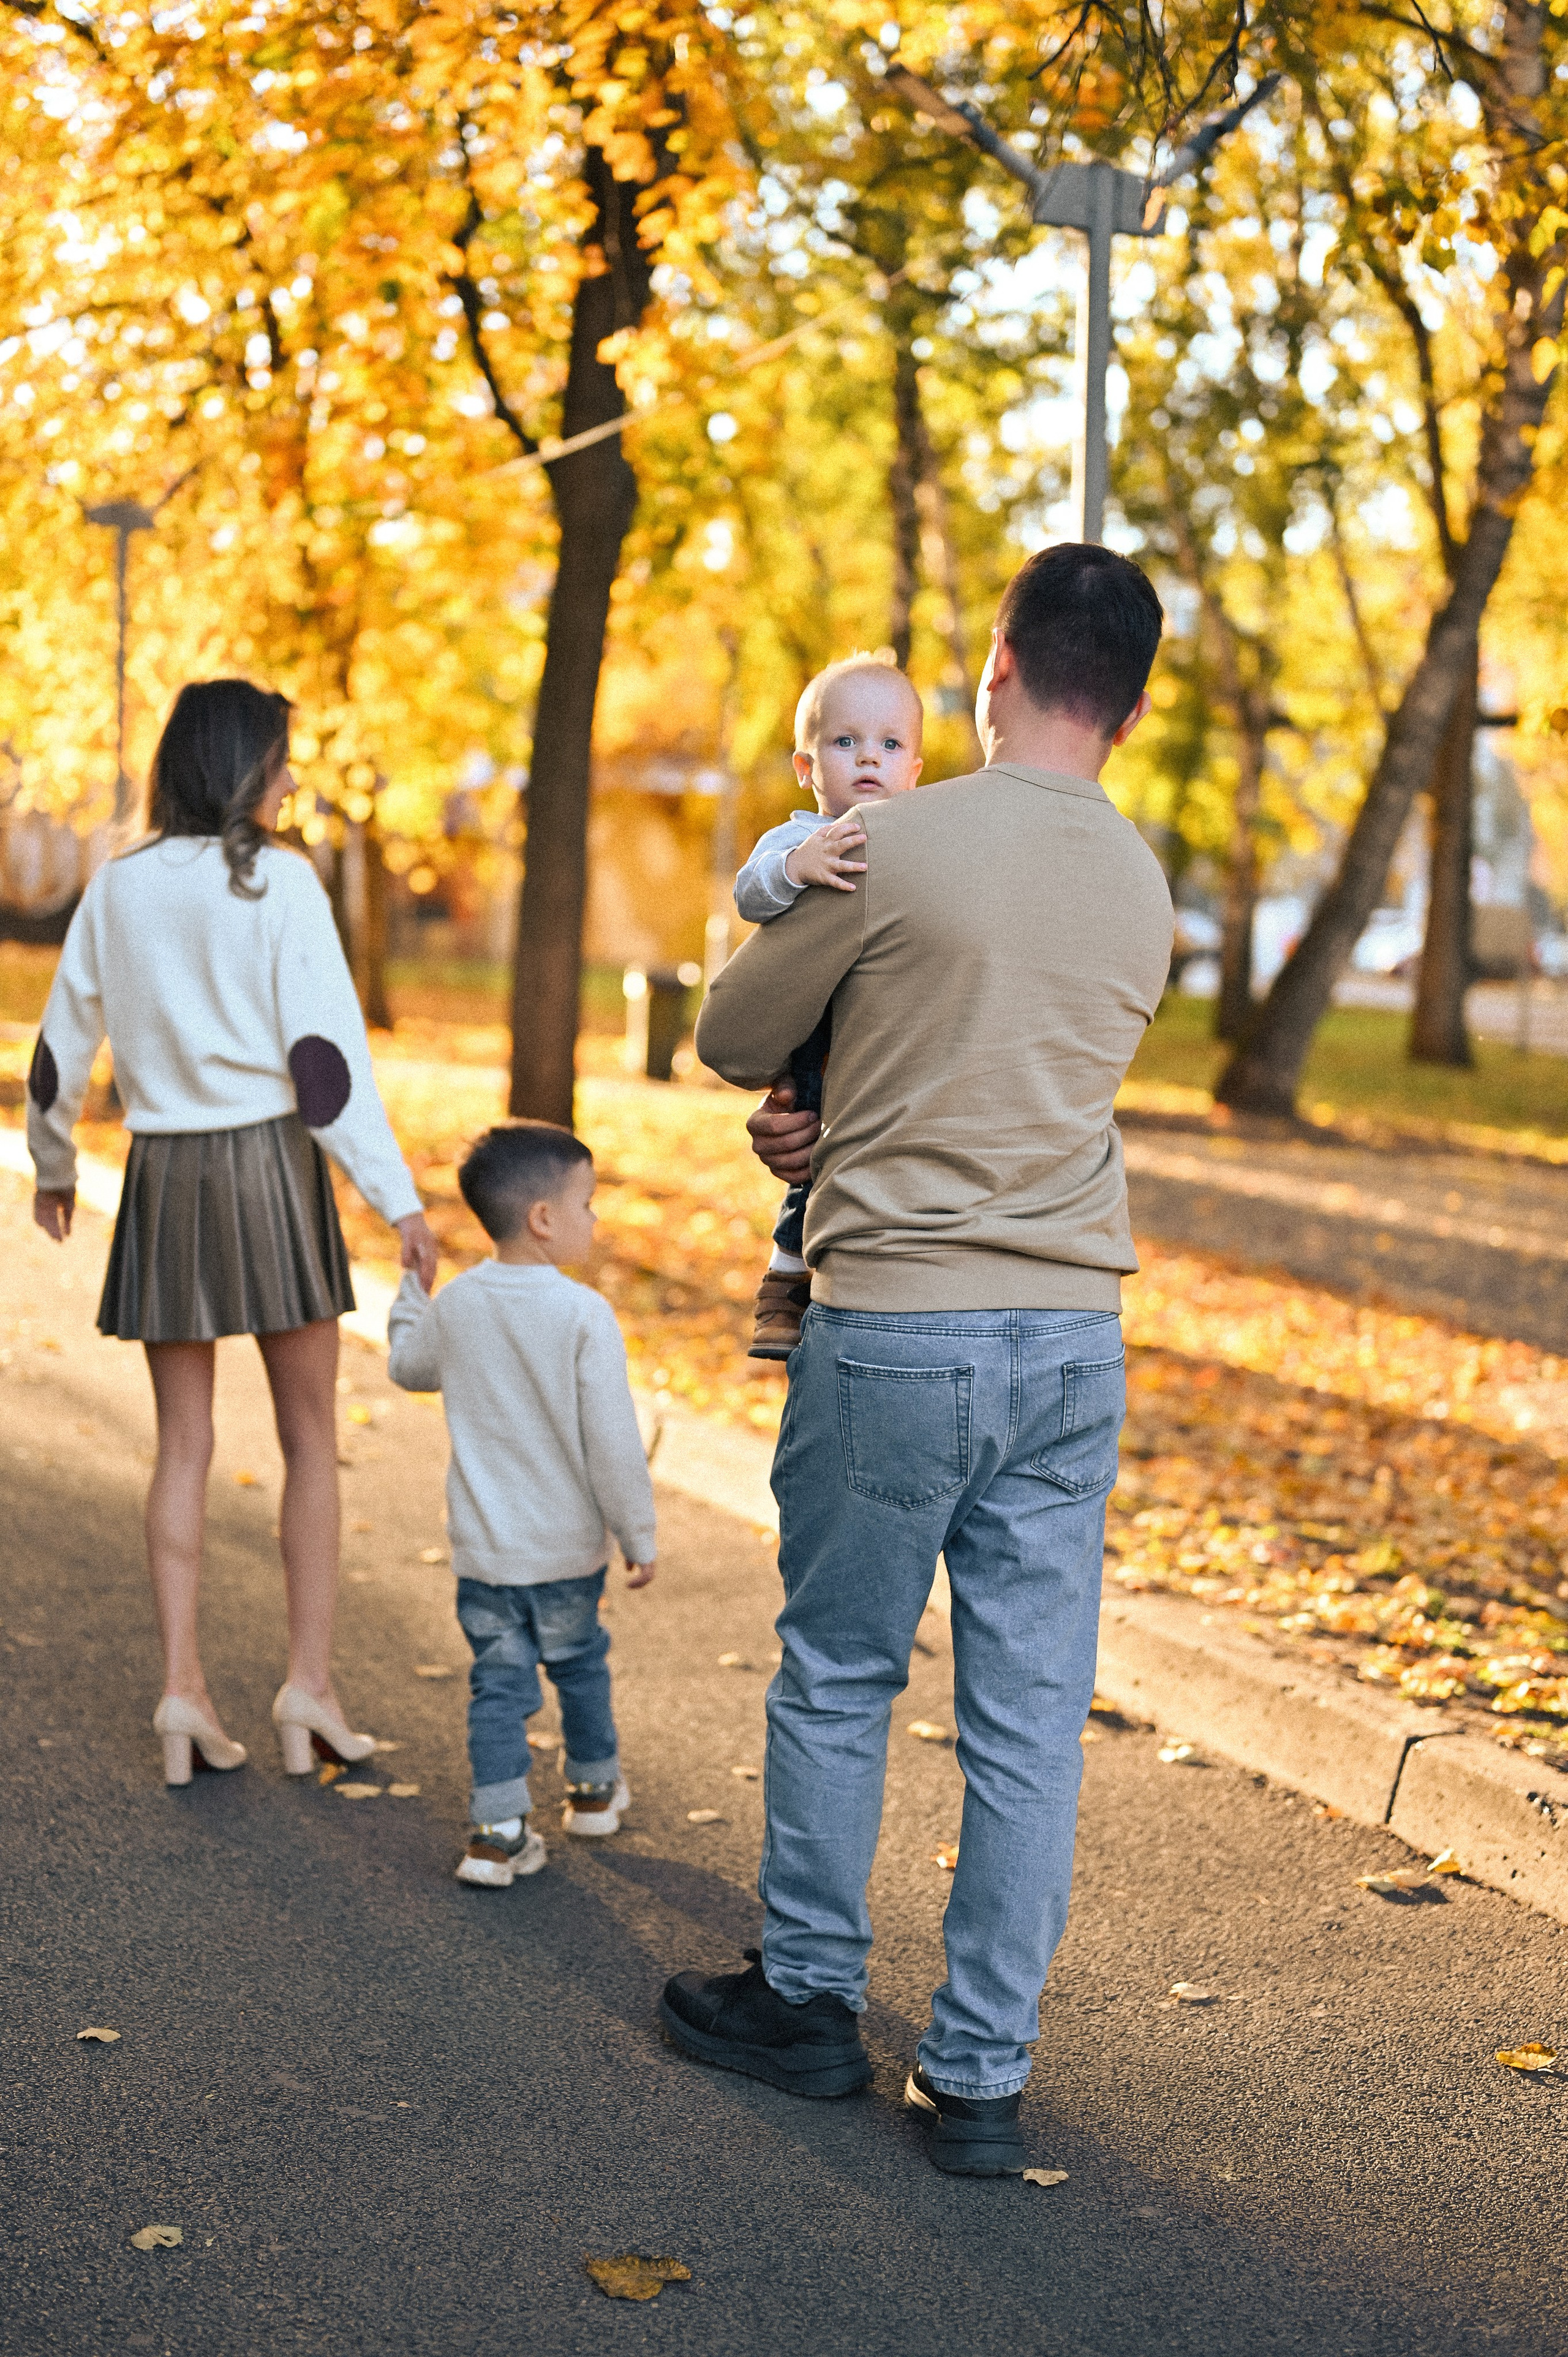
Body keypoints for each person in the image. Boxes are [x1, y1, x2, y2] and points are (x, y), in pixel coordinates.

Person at [661, 545, 1174, 2175]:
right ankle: (980, 2078)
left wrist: (815, 1119)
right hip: (1075, 1334)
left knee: (843, 1673)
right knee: (1027, 1719)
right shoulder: (1145, 885)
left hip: (898, 1327)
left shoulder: (890, 842)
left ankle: (809, 2003)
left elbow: (738, 1036)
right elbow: (1020, 1062)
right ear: (1136, 698)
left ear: (1002, 660)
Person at [28, 679, 437, 1787]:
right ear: (241, 767)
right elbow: (325, 1065)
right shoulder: (286, 884)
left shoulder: (117, 889)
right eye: (281, 762)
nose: (293, 781)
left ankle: (182, 1686)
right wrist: (396, 1198)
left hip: (165, 1176)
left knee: (184, 1443)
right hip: (269, 1170)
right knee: (309, 1437)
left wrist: (54, 1168)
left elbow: (60, 1049)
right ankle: (310, 1683)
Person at [386, 1121, 657, 1888]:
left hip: (486, 1552)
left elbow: (410, 1367)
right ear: (543, 1217)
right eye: (588, 1203)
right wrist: (637, 1530)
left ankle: (497, 1833)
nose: (595, 1219)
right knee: (579, 1663)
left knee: (498, 1688)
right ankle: (594, 1791)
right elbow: (612, 1439)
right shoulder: (582, 1314)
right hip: (566, 1549)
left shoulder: (460, 1305)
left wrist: (413, 1293)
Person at [733, 652, 923, 1363]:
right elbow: (750, 893)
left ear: (915, 771)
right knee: (815, 1149)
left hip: (886, 1032)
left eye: (889, 745)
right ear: (806, 766)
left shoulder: (915, 842)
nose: (867, 758)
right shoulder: (794, 838)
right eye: (844, 742)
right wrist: (796, 868)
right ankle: (785, 1277)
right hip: (814, 1031)